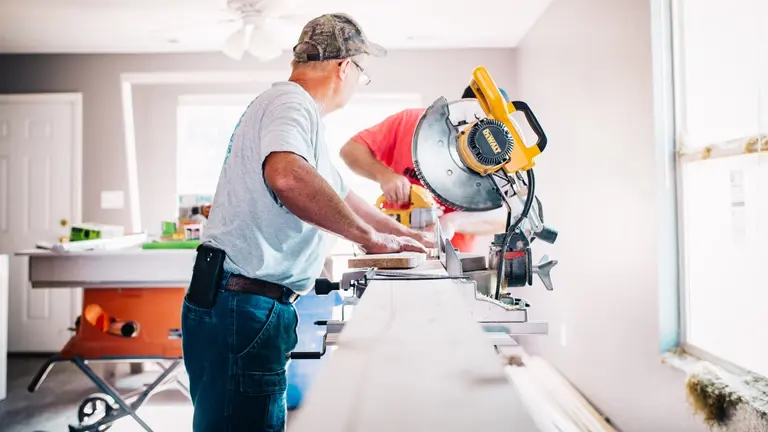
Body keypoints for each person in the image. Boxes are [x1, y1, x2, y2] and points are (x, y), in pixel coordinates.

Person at [181, 13, 432, 432]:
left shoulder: (295, 115)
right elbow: (286, 176)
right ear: (345, 67)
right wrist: (371, 240)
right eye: (361, 74)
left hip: (240, 303)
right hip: (243, 306)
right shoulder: (291, 103)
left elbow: (341, 194)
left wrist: (402, 234)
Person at [339, 86, 511, 253]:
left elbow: (504, 216)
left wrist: (453, 222)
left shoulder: (497, 157)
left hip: (452, 256)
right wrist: (384, 175)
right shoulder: (410, 122)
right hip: (393, 246)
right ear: (462, 107)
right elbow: (351, 150)